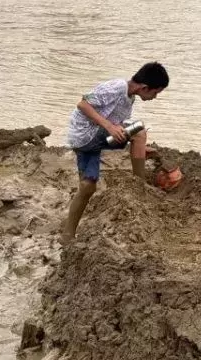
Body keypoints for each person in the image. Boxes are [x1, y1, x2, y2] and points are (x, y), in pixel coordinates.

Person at [61, 62, 169, 244]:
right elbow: (83, 105)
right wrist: (109, 126)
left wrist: (137, 146)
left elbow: (118, 130)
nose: (155, 97)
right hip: (85, 135)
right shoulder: (117, 87)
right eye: (155, 93)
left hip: (88, 142)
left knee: (88, 186)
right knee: (139, 130)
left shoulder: (129, 98)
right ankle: (139, 186)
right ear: (144, 87)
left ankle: (67, 236)